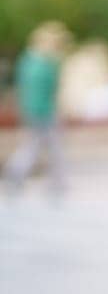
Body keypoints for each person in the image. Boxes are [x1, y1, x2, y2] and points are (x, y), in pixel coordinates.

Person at [4, 21, 70, 198]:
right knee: (53, 148)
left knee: (32, 145)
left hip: (29, 110)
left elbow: (20, 87)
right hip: (45, 111)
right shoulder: (48, 64)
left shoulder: (26, 61)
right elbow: (54, 91)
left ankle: (16, 171)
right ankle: (58, 183)